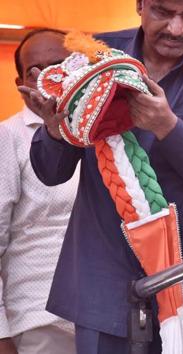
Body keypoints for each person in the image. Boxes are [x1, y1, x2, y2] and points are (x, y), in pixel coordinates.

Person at [20, 0, 183, 352]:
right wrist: (56, 131)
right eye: (162, 11)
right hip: (104, 284)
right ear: (140, 4)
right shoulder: (97, 55)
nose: (175, 29)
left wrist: (169, 127)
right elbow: (51, 173)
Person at [0, 28, 78, 354]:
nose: (47, 76)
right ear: (20, 84)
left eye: (58, 64)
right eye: (34, 71)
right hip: (40, 321)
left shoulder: (104, 132)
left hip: (111, 318)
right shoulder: (8, 138)